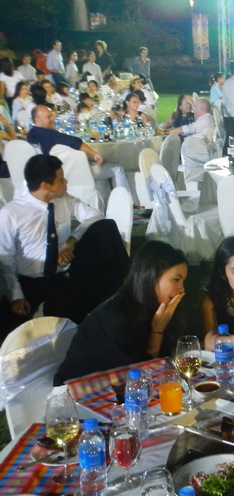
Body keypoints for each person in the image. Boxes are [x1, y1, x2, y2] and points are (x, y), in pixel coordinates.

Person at [54, 241, 186, 383]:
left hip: (122, 385)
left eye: (183, 281)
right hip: (82, 387)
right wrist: (157, 331)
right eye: (176, 280)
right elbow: (137, 378)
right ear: (151, 277)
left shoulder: (156, 309)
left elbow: (162, 363)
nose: (182, 289)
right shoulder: (116, 317)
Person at [0, 154, 102, 325]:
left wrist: (71, 241)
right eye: (61, 179)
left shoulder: (64, 200)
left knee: (74, 324)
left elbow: (96, 216)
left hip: (59, 278)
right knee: (12, 331)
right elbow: (6, 261)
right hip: (27, 282)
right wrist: (16, 297)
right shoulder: (11, 214)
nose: (66, 182)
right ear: (45, 185)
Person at [27, 105, 130, 191]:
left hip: (51, 175)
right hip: (73, 173)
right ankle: (127, 203)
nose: (52, 119)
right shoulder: (49, 134)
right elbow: (76, 142)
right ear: (37, 120)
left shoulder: (30, 135)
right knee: (117, 169)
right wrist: (94, 153)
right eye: (48, 117)